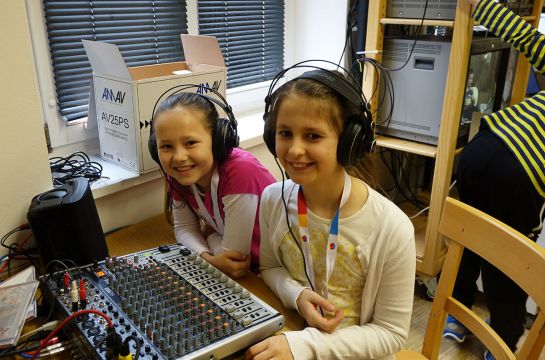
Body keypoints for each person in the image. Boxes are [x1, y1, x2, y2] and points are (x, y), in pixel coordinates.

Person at [245, 68, 416, 360]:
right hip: (293, 331)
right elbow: (270, 268)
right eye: (285, 133)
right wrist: (296, 296)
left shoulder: (392, 228)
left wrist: (305, 346)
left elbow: (391, 333)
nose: (295, 149)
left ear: (350, 142)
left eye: (312, 136)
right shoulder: (273, 199)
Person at [442, 0, 545, 359]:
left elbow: (523, 35)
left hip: (482, 148)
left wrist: (478, 3)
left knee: (466, 236)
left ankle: (456, 313)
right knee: (512, 260)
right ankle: (503, 341)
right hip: (522, 173)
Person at [149, 91, 276, 278]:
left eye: (190, 142)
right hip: (253, 274)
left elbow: (234, 257)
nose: (178, 157)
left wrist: (208, 234)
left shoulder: (240, 170)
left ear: (217, 140)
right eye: (166, 146)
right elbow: (184, 228)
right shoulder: (179, 173)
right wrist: (208, 258)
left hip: (275, 272)